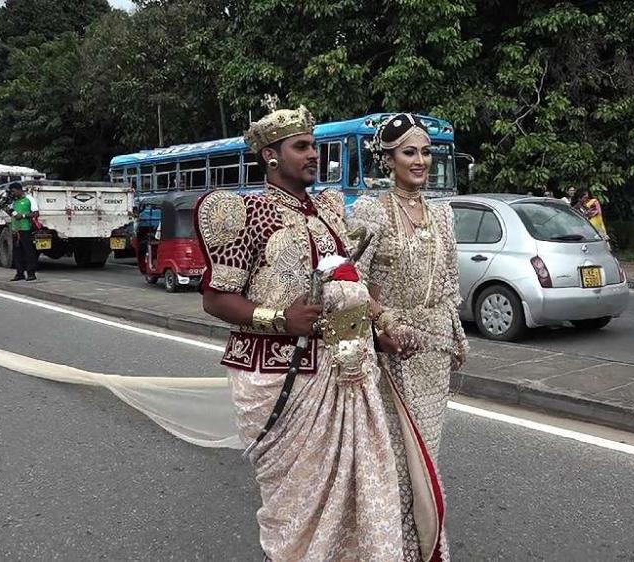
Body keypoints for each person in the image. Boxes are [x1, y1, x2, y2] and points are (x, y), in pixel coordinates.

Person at [194, 105, 404, 560]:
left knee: (361, 491)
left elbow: (349, 283)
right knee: (296, 504)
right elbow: (215, 298)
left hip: (346, 370)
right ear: (271, 155)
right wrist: (278, 319)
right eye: (301, 146)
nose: (313, 154)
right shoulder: (246, 214)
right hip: (280, 376)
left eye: (314, 145)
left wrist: (380, 325)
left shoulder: (329, 210)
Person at [350, 113, 468, 561]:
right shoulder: (370, 210)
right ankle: (390, 549)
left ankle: (425, 546)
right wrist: (385, 326)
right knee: (397, 459)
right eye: (409, 153)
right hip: (390, 354)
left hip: (432, 353)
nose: (420, 161)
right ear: (388, 160)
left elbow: (449, 286)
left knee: (428, 455)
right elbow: (349, 283)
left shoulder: (442, 213)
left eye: (425, 152)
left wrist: (450, 335)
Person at [5, 182, 37, 281]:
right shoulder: (14, 202)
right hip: (15, 230)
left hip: (26, 229)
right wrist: (6, 209)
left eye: (14, 191)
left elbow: (36, 213)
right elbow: (13, 214)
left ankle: (31, 274)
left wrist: (23, 216)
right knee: (17, 253)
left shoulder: (29, 199)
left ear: (19, 190)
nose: (13, 194)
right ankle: (19, 273)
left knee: (28, 252)